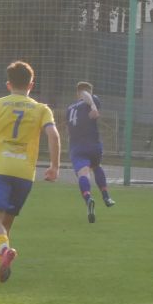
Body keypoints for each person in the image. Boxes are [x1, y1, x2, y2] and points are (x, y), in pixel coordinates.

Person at [0, 61, 60, 285]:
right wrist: (54, 166)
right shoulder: (42, 109)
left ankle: (5, 251)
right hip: (24, 175)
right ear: (31, 85)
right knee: (5, 226)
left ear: (8, 84)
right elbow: (54, 135)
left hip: (1, 170)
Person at [66, 81, 115, 224]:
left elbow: (70, 128)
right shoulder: (91, 99)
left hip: (77, 147)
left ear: (76, 94)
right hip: (93, 145)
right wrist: (93, 105)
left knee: (83, 174)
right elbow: (86, 94)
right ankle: (106, 196)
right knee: (96, 166)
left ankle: (88, 198)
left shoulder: (70, 108)